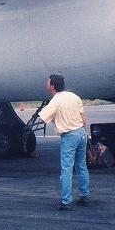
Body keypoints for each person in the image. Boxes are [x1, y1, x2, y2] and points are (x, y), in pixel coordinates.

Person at [38, 74, 90, 210]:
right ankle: (84, 195)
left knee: (66, 169)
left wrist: (56, 119)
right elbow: (83, 118)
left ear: (52, 86)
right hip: (81, 132)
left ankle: (66, 201)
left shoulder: (55, 101)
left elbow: (43, 116)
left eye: (48, 82)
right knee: (82, 165)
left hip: (69, 135)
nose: (47, 84)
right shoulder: (74, 96)